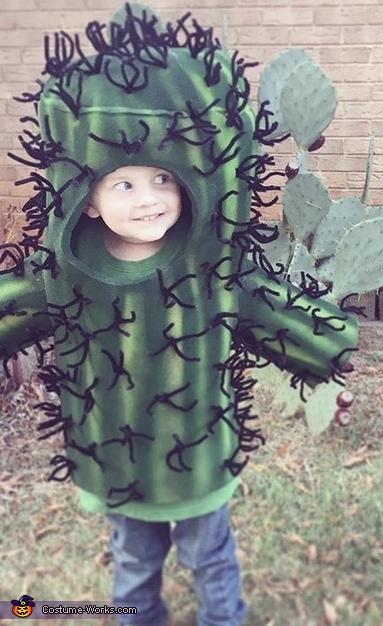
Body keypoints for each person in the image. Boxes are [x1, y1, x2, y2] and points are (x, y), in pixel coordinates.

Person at [0, 4, 359, 626]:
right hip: (116, 459)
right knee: (133, 565)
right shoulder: (60, 274)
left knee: (211, 558)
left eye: (164, 177)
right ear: (82, 198)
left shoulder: (219, 267)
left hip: (197, 457)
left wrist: (333, 350)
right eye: (123, 183)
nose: (149, 200)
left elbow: (281, 317)